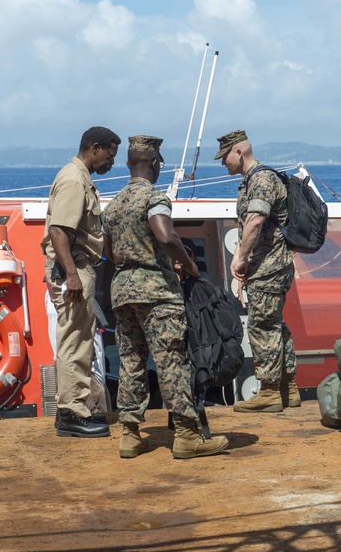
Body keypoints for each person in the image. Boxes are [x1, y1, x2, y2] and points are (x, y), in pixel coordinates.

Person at [102, 135, 227, 459]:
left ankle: (130, 435)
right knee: (172, 359)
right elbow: (165, 234)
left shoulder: (112, 207)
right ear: (155, 164)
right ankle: (186, 435)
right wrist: (186, 263)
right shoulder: (154, 198)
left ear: (129, 164)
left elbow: (110, 252)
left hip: (123, 292)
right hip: (157, 293)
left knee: (131, 362)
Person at [41, 126, 120, 438]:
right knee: (74, 341)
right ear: (95, 148)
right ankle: (73, 410)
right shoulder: (74, 180)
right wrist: (72, 274)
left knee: (79, 339)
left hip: (78, 266)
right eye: (109, 156)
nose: (111, 162)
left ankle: (69, 410)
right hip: (73, 269)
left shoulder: (80, 177)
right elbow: (59, 230)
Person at [215, 129, 300, 412]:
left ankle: (271, 392)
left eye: (225, 156)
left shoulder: (262, 179)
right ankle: (288, 388)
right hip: (271, 264)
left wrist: (241, 258)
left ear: (239, 152)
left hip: (269, 265)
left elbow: (254, 221)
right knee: (274, 323)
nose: (222, 163)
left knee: (262, 325)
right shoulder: (254, 179)